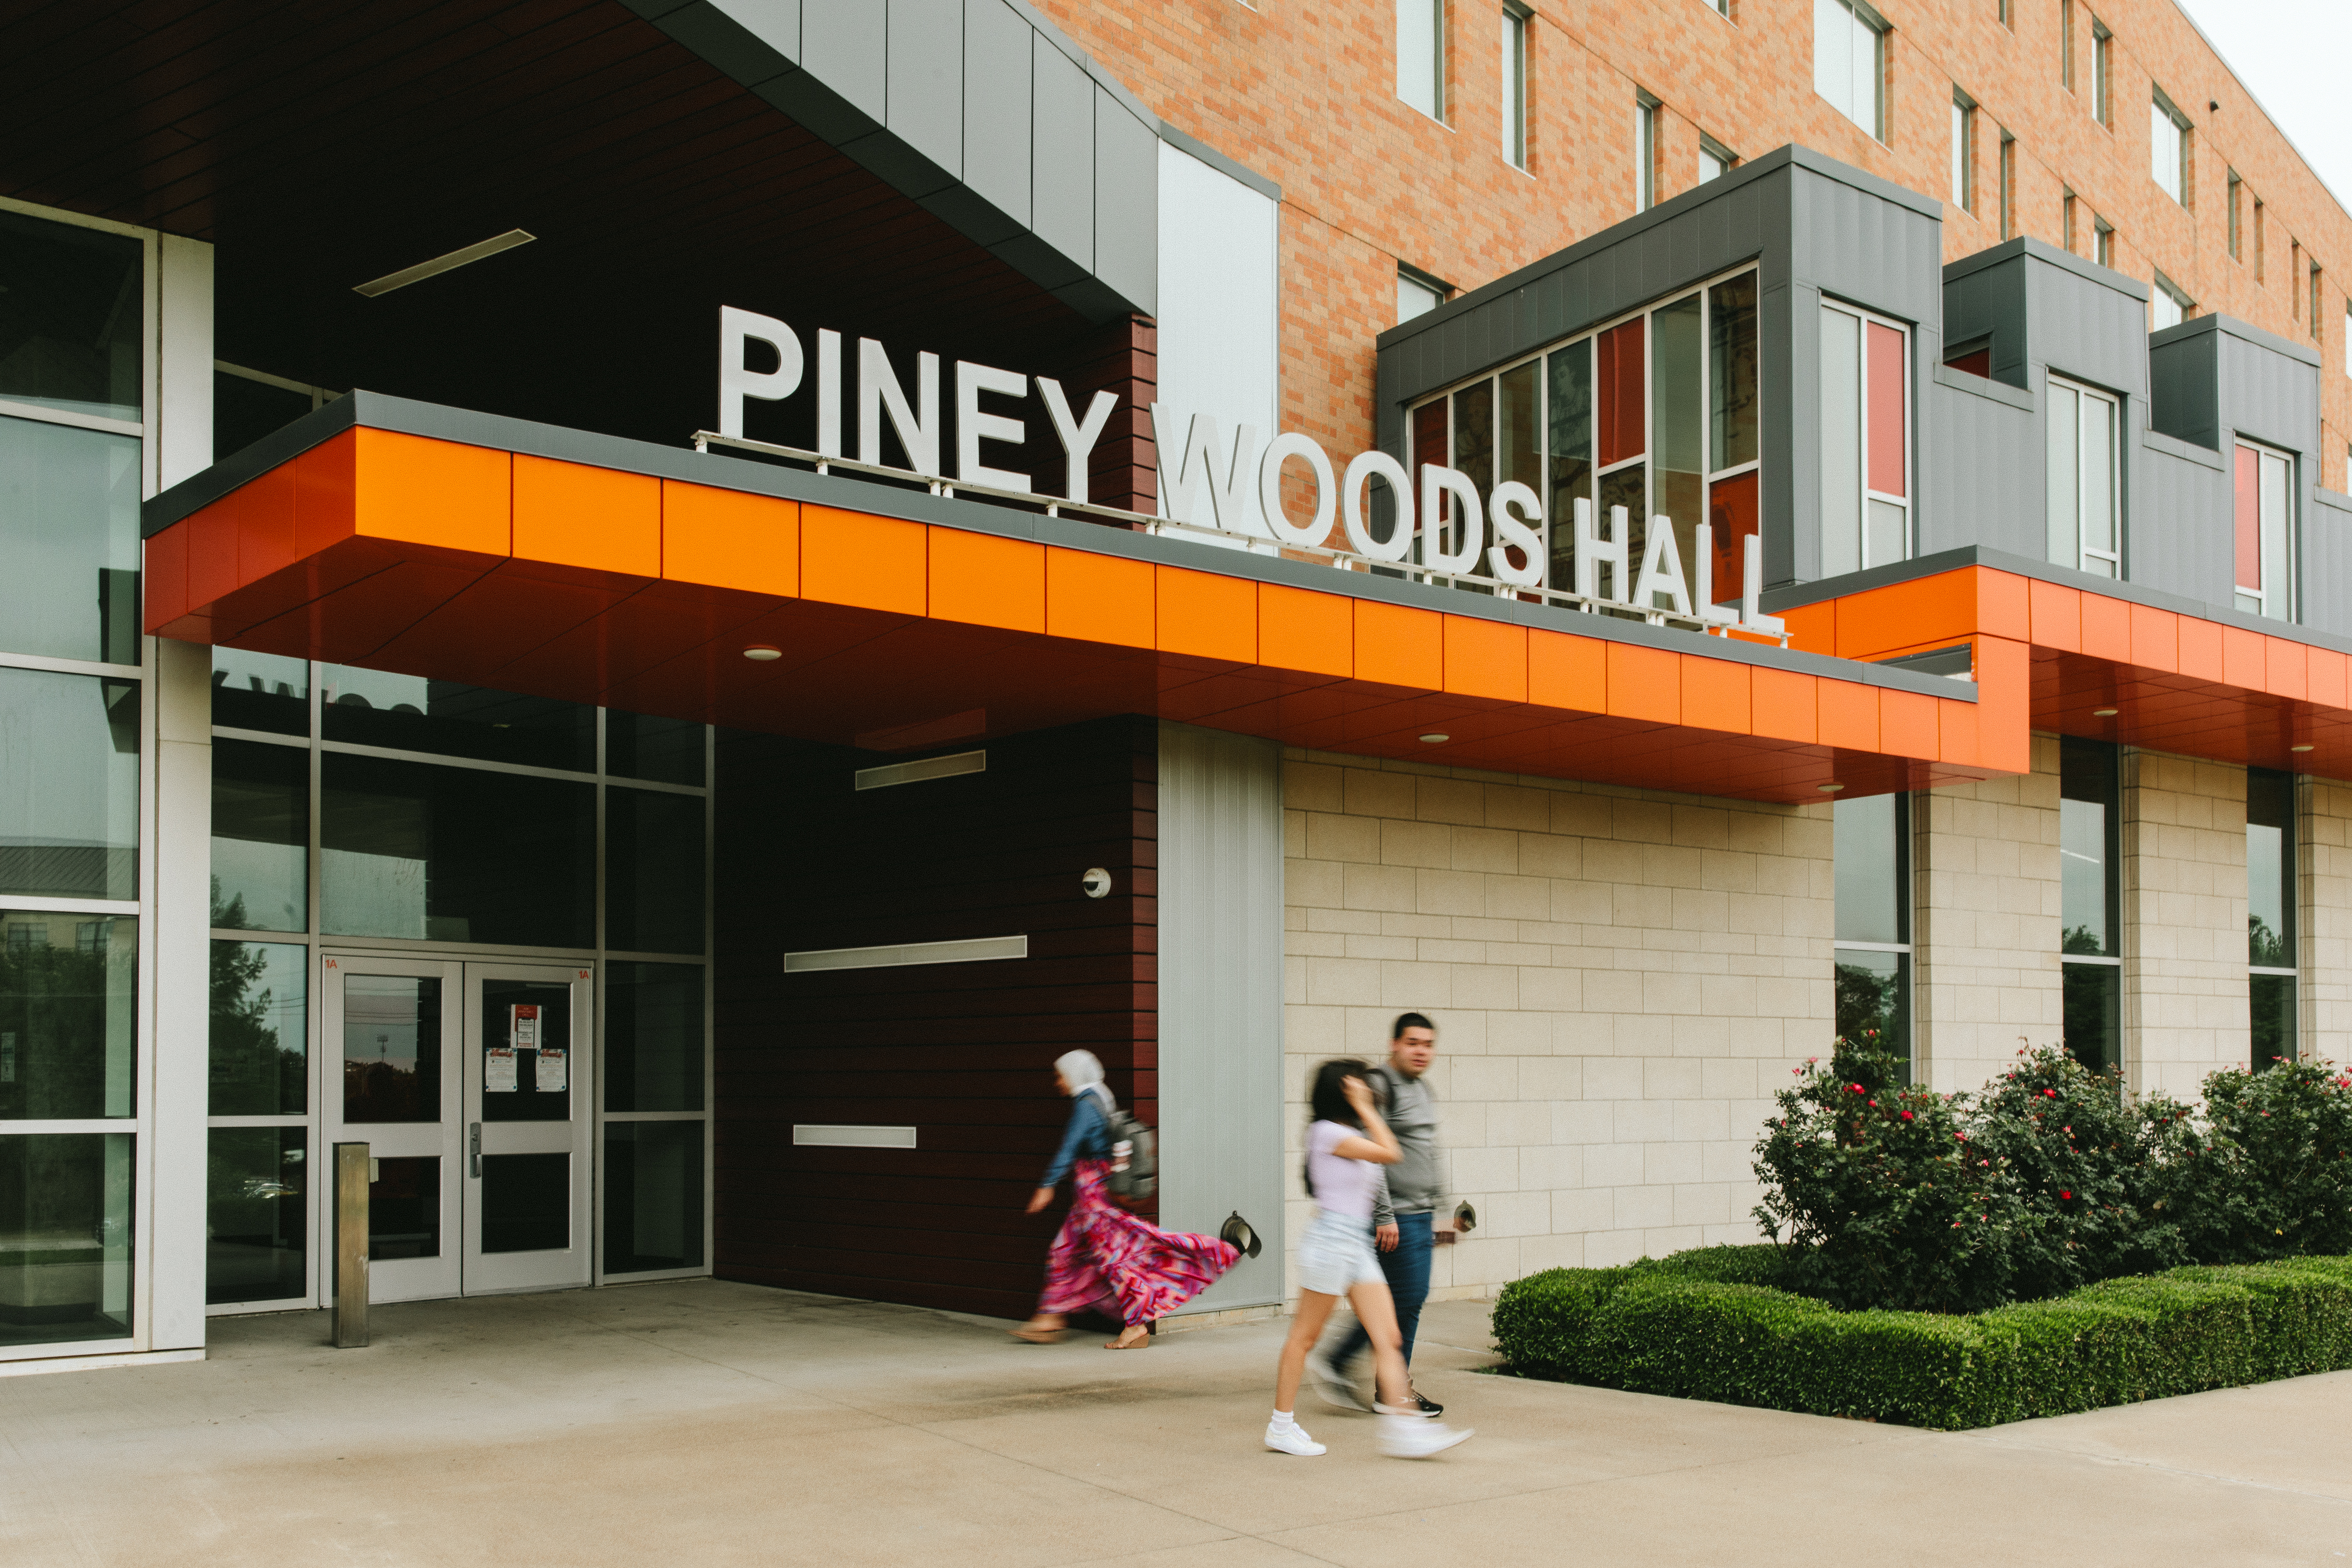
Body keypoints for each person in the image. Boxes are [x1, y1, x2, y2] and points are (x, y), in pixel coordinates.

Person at [1265, 1059, 1472, 1460]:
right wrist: (1366, 1108)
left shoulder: (1351, 1134)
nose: (1370, 1089)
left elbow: (1379, 1171)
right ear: (1342, 1093)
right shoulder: (1325, 1133)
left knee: (1388, 1337)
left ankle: (1405, 1430)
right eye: (1360, 1085)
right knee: (1304, 1338)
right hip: (1330, 1243)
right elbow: (1392, 1152)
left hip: (1356, 1244)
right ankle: (1281, 1427)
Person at [1012, 1050, 1239, 1350]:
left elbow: (1070, 1146)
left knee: (1113, 1259)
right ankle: (1050, 1317)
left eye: (1060, 1076)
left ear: (1074, 1074)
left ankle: (1137, 1326)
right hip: (1087, 1198)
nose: (1058, 1082)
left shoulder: (1087, 1105)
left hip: (1092, 1197)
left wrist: (1047, 1184)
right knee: (1063, 1250)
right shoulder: (1098, 1097)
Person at [1307, 1013, 1452, 1415]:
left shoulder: (1423, 1089)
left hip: (1420, 1211)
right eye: (1413, 1043)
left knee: (1401, 1300)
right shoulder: (1381, 1085)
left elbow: (1429, 1151)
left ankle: (1365, 1375)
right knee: (1406, 1298)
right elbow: (1373, 1153)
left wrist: (1441, 1209)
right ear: (1395, 1044)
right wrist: (1384, 1214)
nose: (1421, 1052)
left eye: (1428, 1044)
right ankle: (1381, 1385)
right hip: (1397, 1216)